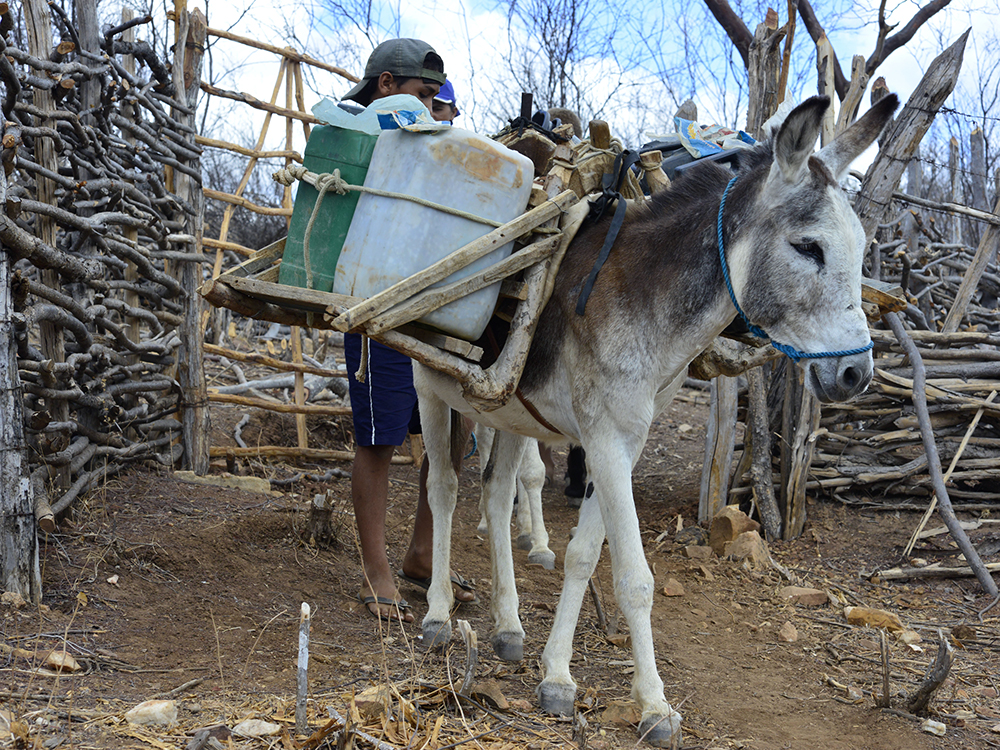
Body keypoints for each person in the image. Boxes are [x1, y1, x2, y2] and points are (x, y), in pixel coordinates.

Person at [341, 39, 476, 622]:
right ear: (387, 85)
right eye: (424, 95)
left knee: (453, 427)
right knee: (379, 437)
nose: (431, 107)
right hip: (378, 303)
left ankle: (423, 554)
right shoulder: (352, 135)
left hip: (433, 305)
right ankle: (377, 569)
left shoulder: (422, 142)